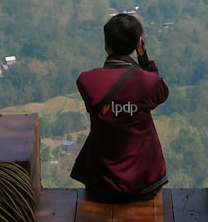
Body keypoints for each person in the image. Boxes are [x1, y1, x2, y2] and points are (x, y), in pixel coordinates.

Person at [70, 13, 169, 202]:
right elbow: (160, 90)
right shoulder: (148, 83)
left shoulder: (86, 81)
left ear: (106, 45)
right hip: (143, 184)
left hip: (101, 183)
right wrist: (144, 57)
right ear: (138, 43)